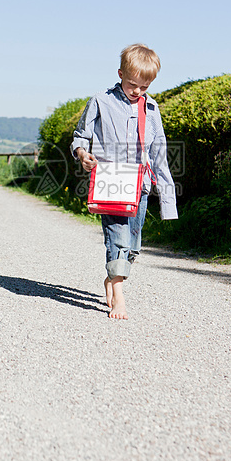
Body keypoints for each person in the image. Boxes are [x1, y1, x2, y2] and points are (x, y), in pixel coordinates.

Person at [71, 44, 178, 320]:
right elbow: (80, 136)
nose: (137, 91)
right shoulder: (100, 101)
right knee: (117, 238)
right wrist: (83, 154)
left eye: (145, 86)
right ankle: (119, 297)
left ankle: (112, 277)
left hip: (139, 187)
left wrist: (167, 201)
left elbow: (159, 155)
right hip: (110, 183)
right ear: (120, 74)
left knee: (133, 245)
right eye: (132, 84)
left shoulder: (151, 109)